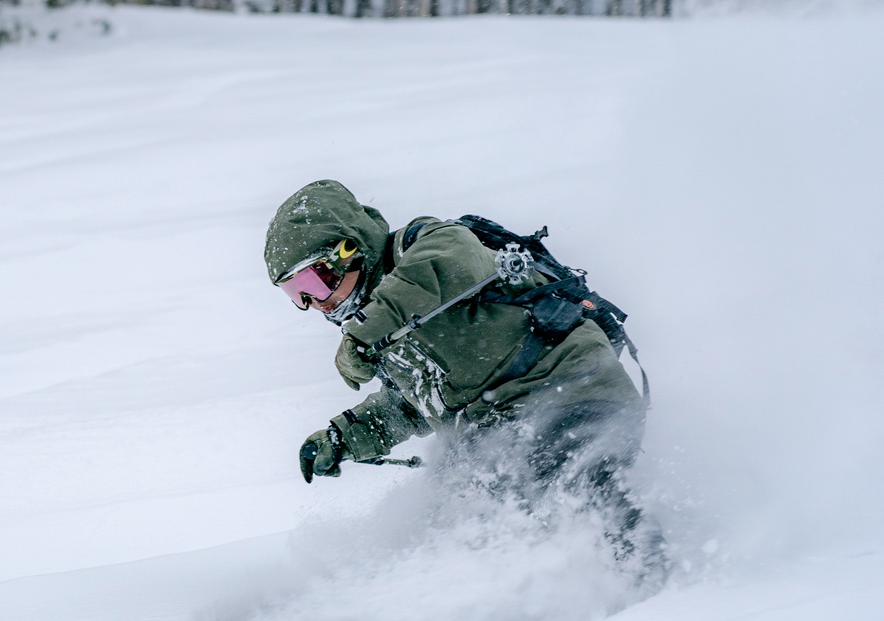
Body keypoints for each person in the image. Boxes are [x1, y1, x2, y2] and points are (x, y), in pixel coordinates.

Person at [264, 179, 665, 580]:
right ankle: (414, 606)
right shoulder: (386, 325)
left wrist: (366, 330)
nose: (315, 302)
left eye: (315, 281)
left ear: (349, 251)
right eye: (296, 293)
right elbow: (417, 402)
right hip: (498, 431)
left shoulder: (427, 244)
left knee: (564, 479)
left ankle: (655, 579)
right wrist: (345, 436)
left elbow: (452, 261)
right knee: (442, 521)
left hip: (569, 390)